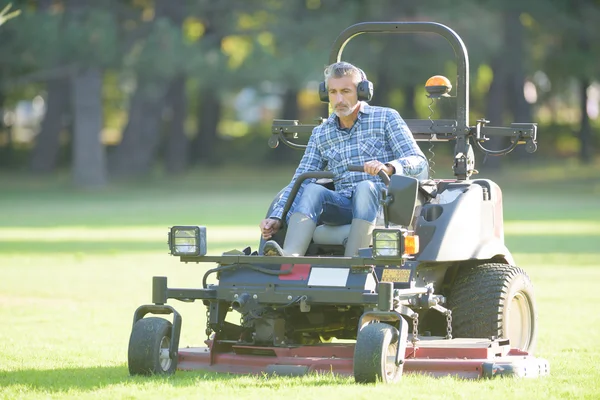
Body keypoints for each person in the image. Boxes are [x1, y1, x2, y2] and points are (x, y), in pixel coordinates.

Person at [260, 61, 428, 257]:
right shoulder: (321, 133)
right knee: (312, 188)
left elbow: (419, 160)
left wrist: (389, 167)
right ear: (326, 94)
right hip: (343, 204)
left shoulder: (386, 118)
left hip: (383, 205)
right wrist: (277, 216)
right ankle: (289, 255)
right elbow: (300, 179)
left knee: (366, 187)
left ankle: (354, 260)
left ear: (362, 92)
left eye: (346, 91)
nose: (339, 99)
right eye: (333, 92)